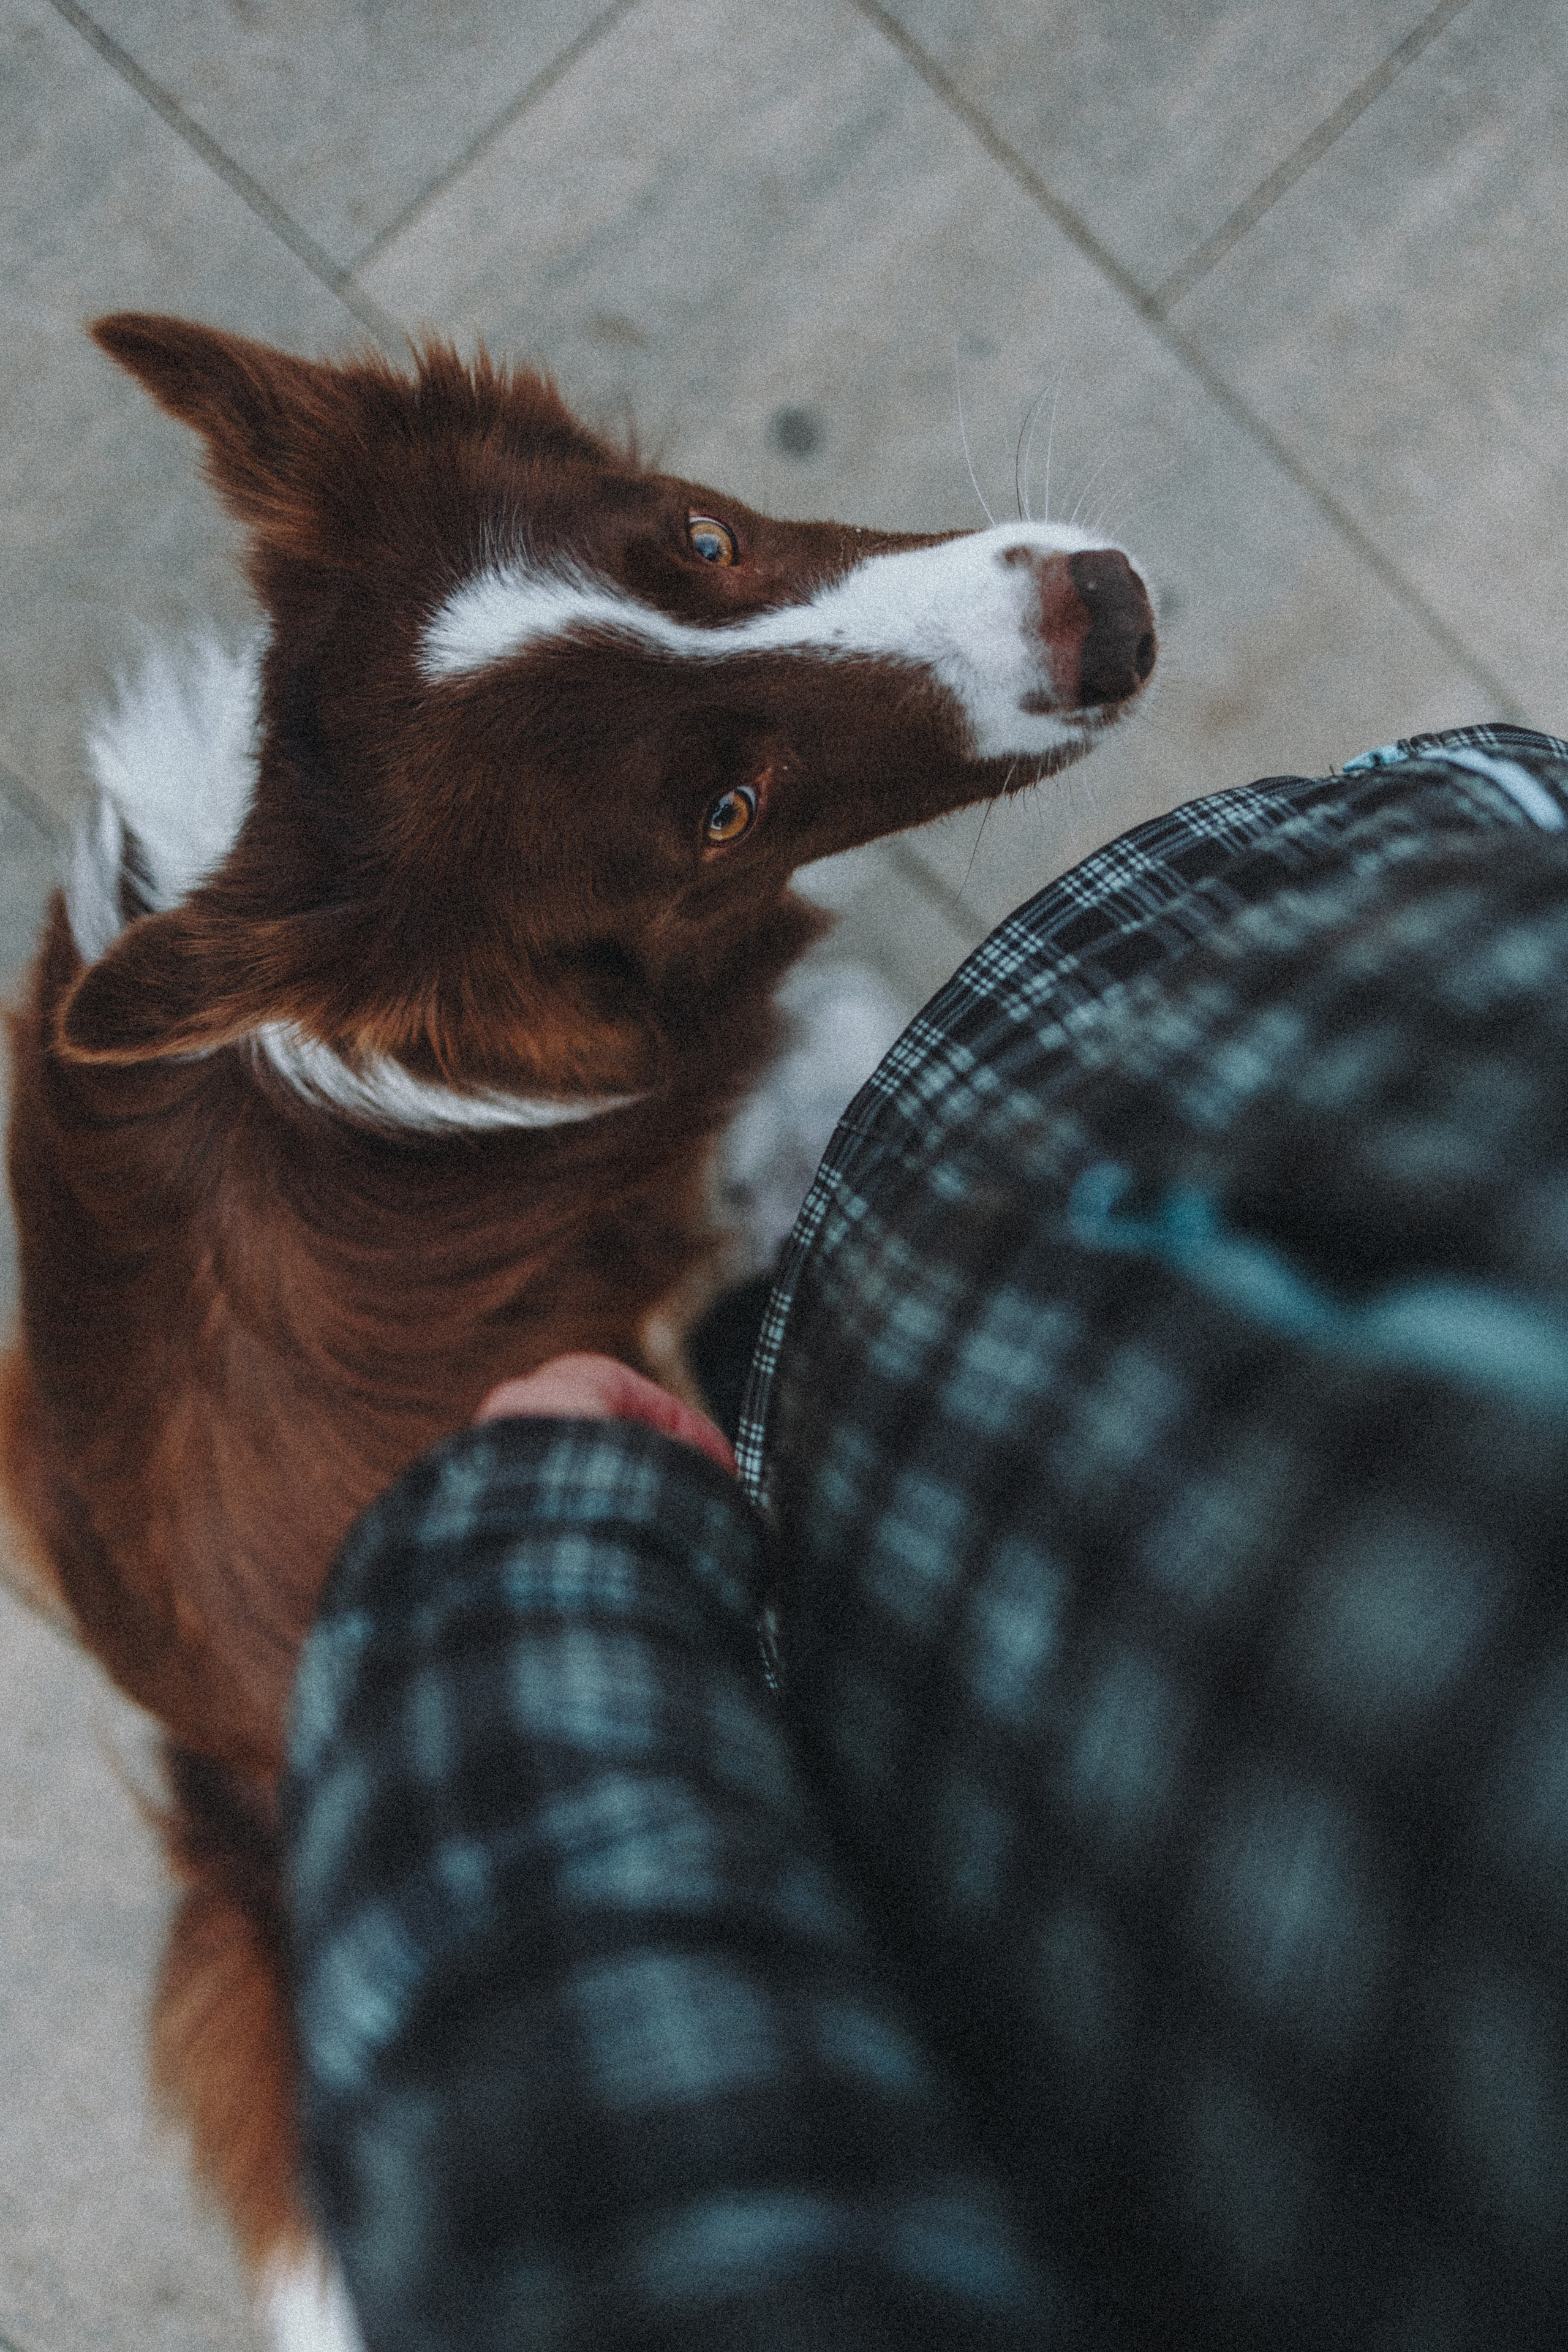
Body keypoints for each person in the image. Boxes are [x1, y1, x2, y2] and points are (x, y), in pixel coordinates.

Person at [283, 726, 1568, 2352]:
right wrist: (1491, 811)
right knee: (897, 1222)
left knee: (827, 1364)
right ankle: (806, 1219)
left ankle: (784, 1267)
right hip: (1250, 1008)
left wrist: (527, 1566)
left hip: (939, 1662)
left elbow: (636, 2215)